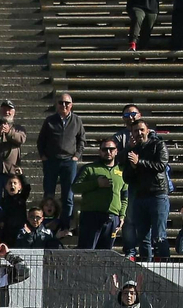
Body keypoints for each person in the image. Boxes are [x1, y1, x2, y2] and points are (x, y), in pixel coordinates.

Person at [121, 115, 171, 260]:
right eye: (135, 131)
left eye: (141, 130)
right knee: (143, 238)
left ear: (147, 131)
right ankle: (146, 268)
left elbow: (161, 165)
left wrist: (139, 163)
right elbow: (126, 177)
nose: (139, 133)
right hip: (140, 197)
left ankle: (164, 267)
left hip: (157, 195)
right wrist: (132, 166)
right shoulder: (133, 150)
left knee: (159, 236)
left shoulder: (158, 145)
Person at [38, 94, 85, 230]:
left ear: (71, 105)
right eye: (61, 103)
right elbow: (41, 140)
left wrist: (76, 155)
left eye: (67, 103)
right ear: (56, 104)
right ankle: (46, 225)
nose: (63, 105)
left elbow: (81, 140)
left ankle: (65, 226)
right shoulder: (49, 120)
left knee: (68, 196)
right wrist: (43, 156)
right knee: (48, 194)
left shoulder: (77, 120)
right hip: (51, 161)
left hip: (69, 161)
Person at [73, 138, 128, 250]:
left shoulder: (122, 171)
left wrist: (122, 216)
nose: (108, 152)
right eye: (104, 149)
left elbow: (125, 196)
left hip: (112, 218)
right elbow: (75, 187)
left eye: (111, 149)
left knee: (106, 253)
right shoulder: (89, 168)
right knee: (87, 251)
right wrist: (96, 183)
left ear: (116, 151)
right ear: (100, 151)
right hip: (91, 216)